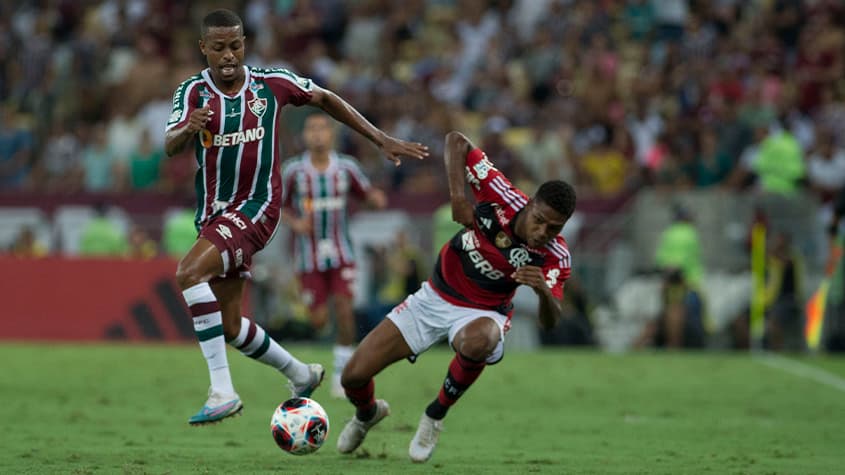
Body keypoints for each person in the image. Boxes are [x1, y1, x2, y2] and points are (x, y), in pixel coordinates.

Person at [164, 9, 428, 426]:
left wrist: (380, 138)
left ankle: (222, 391)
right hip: (214, 214)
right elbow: (170, 144)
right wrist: (188, 129)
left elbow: (325, 98)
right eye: (219, 48)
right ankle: (301, 374)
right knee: (230, 326)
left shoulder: (272, 84)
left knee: (188, 274)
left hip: (258, 206)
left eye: (235, 45)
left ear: (244, 43)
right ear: (204, 49)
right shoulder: (192, 93)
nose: (229, 55)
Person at [336, 131, 576, 463]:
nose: (543, 233)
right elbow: (455, 141)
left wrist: (543, 291)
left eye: (554, 229)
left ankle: (435, 415)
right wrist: (458, 196)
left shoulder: (554, 257)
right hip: (434, 296)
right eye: (539, 221)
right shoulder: (500, 193)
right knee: (353, 376)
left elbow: (551, 321)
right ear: (530, 203)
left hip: (483, 311)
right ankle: (366, 415)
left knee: (482, 340)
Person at [281, 112, 389, 398]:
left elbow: (366, 193)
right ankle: (318, 359)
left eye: (322, 129)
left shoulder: (346, 168)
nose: (317, 134)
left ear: (331, 135)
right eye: (311, 128)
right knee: (317, 321)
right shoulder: (293, 171)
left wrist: (375, 199)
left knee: (344, 312)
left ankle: (342, 376)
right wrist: (295, 222)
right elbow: (277, 205)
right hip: (309, 256)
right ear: (304, 135)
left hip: (342, 252)